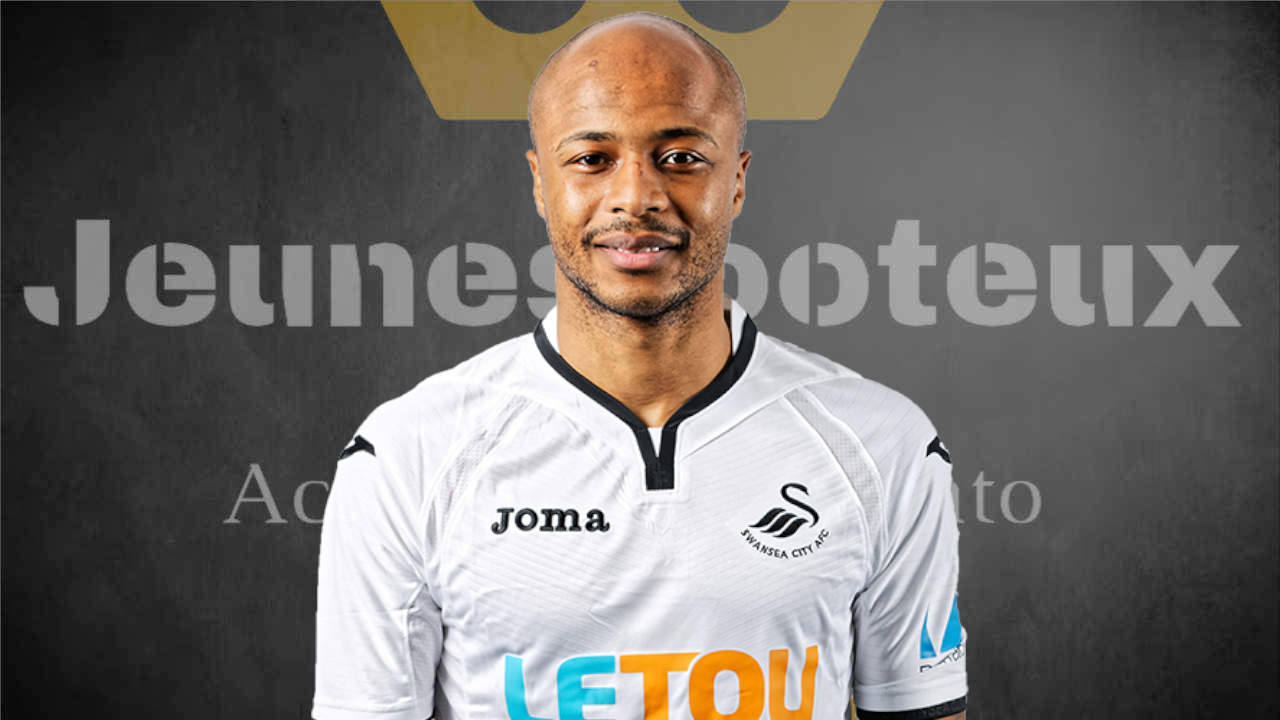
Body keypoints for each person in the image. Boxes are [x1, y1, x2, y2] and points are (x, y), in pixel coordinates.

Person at [312, 12, 967, 720]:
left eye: (680, 157)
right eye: (592, 158)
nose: (637, 196)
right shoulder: (407, 455)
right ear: (540, 184)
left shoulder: (882, 445)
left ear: (737, 180)